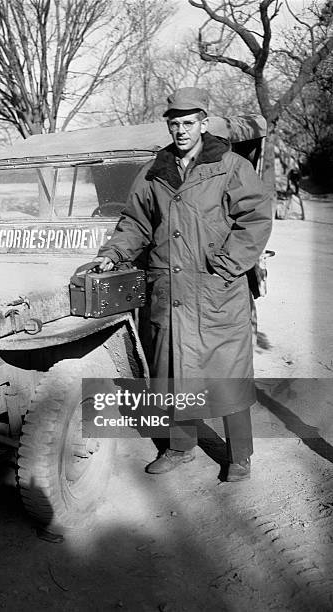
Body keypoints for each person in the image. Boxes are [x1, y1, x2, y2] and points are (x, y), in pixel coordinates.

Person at [94, 87, 273, 481]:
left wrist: (227, 265)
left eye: (188, 123)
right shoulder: (154, 171)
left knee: (226, 374)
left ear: (204, 123)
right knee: (174, 371)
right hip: (169, 293)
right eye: (174, 123)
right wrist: (113, 253)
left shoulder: (231, 166)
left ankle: (239, 455)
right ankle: (179, 448)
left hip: (216, 292)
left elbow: (256, 219)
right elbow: (136, 225)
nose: (181, 131)